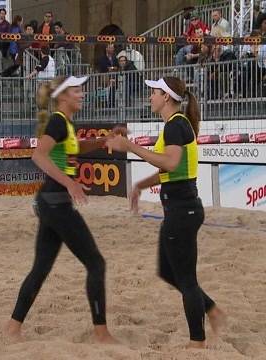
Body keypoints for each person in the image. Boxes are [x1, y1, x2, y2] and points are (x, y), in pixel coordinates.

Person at [105, 77, 226, 348]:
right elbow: (172, 173)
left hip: (183, 210)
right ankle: (212, 309)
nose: (150, 97)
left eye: (154, 93)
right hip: (182, 208)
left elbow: (170, 164)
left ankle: (197, 342)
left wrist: (131, 147)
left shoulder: (175, 127)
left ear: (167, 98)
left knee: (186, 278)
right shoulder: (175, 126)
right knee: (168, 272)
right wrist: (140, 185)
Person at [4, 75, 120, 344]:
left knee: (41, 268)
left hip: (51, 201)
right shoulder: (57, 121)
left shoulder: (65, 123)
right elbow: (38, 155)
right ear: (63, 96)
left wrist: (104, 140)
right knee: (96, 264)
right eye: (77, 90)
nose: (82, 93)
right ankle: (101, 333)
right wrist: (70, 183)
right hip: (56, 202)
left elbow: (76, 147)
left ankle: (12, 327)